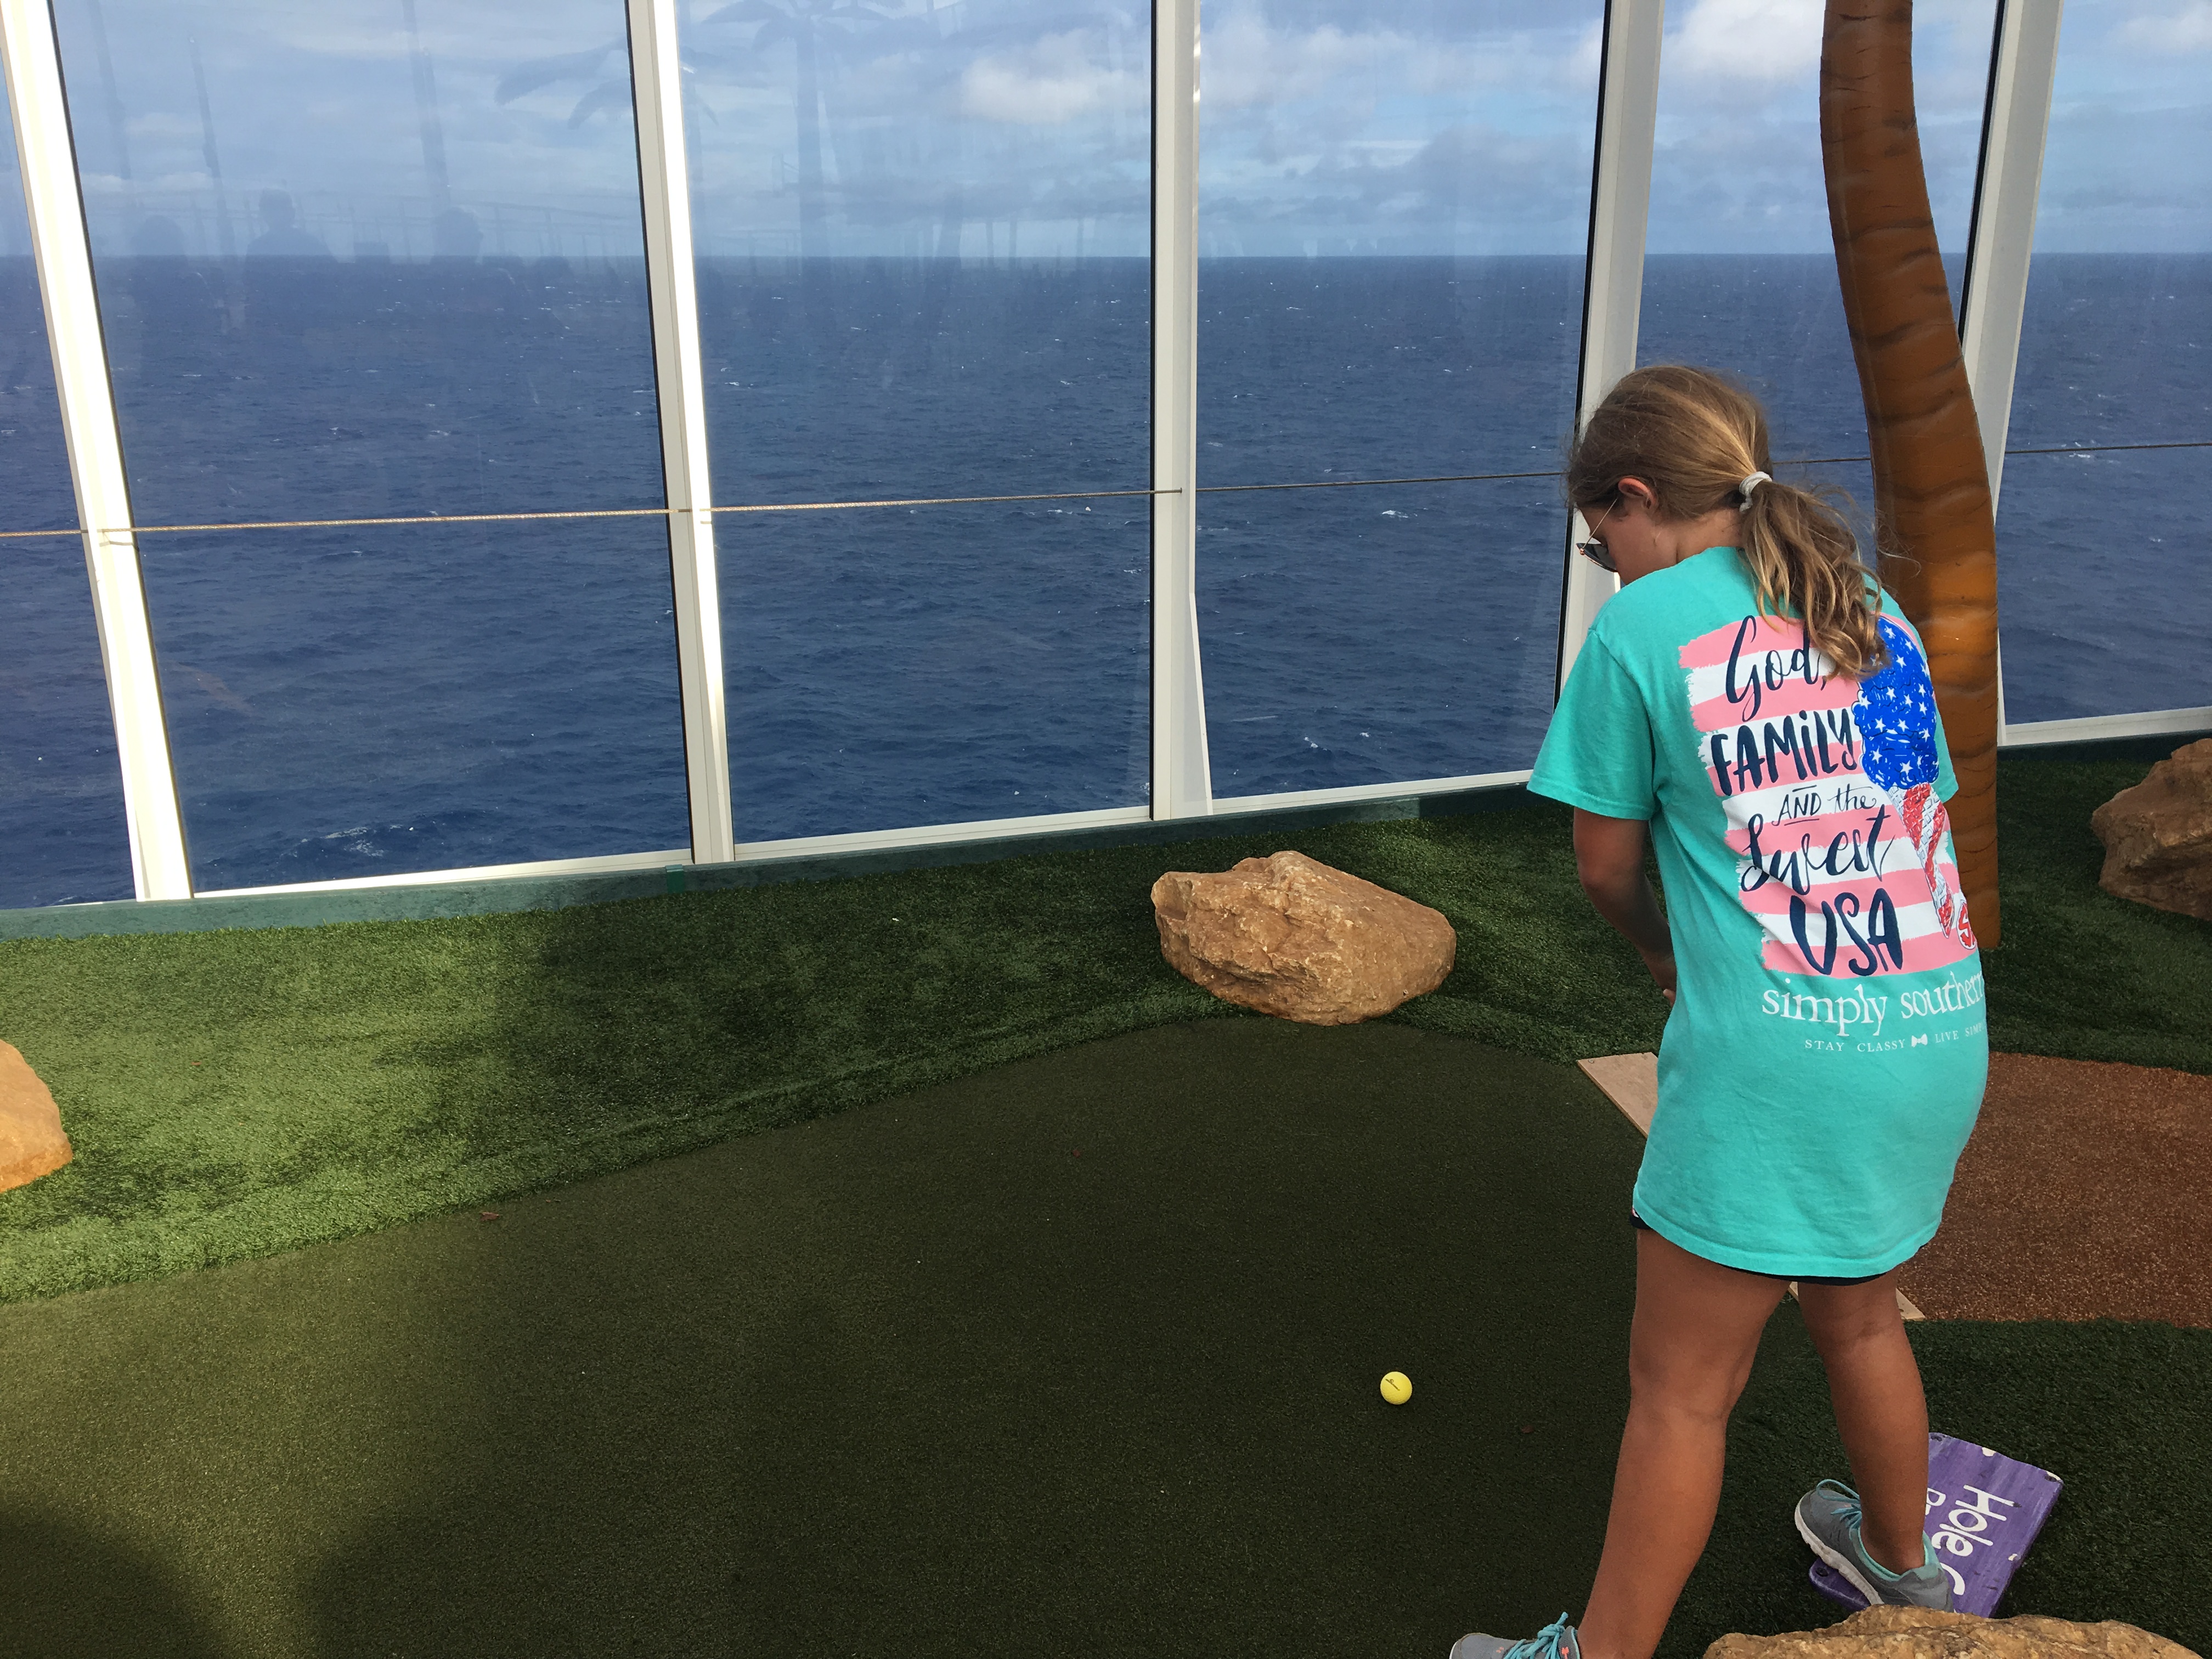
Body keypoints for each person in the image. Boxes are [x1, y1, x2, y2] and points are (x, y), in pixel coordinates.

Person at [1453, 365, 1988, 1659]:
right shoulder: (1869, 607)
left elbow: (1605, 867)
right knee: (1857, 1308)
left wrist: (1663, 956)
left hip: (1778, 1064)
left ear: (1635, 499)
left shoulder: (1640, 630)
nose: (1609, 567)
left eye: (1603, 542)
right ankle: (1902, 1570)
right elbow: (1913, 818)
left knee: (1682, 1395)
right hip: (1932, 1031)